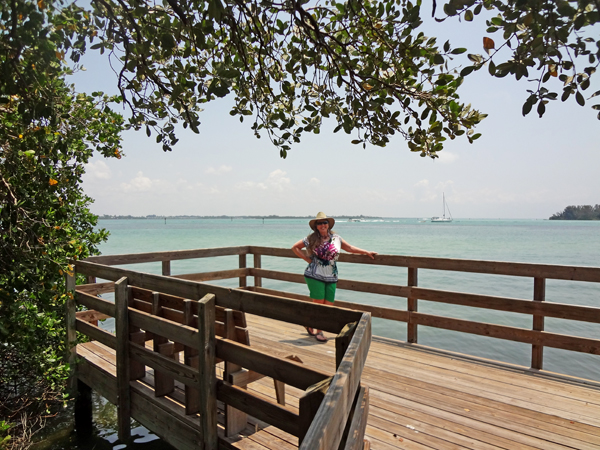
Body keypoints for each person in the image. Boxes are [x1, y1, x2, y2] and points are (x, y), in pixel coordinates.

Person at [292, 212, 377, 342]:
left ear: (328, 224)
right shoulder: (311, 238)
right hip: (315, 274)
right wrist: (307, 259)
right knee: (320, 304)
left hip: (331, 275)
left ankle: (310, 323)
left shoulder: (336, 238)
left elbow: (349, 248)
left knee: (329, 304)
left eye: (324, 222)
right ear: (316, 226)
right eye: (319, 223)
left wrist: (366, 252)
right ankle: (319, 331)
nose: (322, 225)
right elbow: (295, 247)